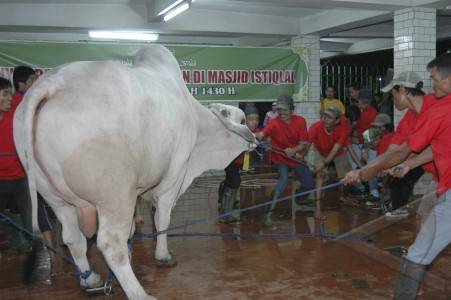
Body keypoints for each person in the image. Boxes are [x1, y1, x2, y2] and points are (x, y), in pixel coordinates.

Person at [343, 53, 451, 299]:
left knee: (418, 248)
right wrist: (407, 165)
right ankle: (419, 276)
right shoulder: (409, 120)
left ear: (403, 90)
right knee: (424, 220)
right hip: (440, 180)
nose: (392, 99)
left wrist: (363, 172)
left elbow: (402, 151)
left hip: (445, 183)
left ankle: (412, 282)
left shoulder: (438, 107)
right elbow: (405, 151)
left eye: (393, 93)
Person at [255, 95, 314, 227]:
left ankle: (300, 198)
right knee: (283, 180)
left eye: (285, 110)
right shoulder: (274, 123)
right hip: (280, 158)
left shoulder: (300, 121)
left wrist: (294, 151)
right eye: (279, 110)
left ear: (292, 110)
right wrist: (252, 135)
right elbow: (262, 134)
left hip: (294, 157)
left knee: (309, 183)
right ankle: (268, 214)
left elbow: (304, 143)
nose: (281, 113)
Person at [307, 105, 352, 217]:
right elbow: (307, 144)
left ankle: (343, 196)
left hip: (338, 152)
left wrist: (324, 163)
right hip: (320, 151)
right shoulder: (315, 127)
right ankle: (318, 210)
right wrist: (301, 156)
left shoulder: (343, 129)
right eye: (324, 116)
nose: (325, 119)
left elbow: (335, 150)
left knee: (346, 177)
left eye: (329, 117)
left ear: (337, 120)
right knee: (320, 175)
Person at [219, 106, 260, 224]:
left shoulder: (255, 133)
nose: (254, 122)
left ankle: (224, 203)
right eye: (251, 119)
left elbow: (249, 152)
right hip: (230, 160)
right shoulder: (239, 130)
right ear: (245, 120)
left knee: (231, 181)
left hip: (239, 162)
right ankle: (226, 215)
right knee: (234, 182)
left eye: (256, 119)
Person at [349, 89, 379, 200]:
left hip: (368, 144)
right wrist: (353, 136)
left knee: (372, 166)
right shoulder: (355, 110)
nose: (358, 103)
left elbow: (372, 134)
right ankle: (359, 187)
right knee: (352, 165)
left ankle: (374, 191)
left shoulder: (373, 113)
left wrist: (366, 149)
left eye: (360, 101)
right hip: (356, 143)